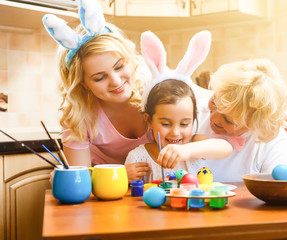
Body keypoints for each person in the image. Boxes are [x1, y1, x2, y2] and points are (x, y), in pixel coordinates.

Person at [42, 0, 151, 181]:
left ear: (129, 60)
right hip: (108, 189)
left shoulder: (153, 85)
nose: (116, 82)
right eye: (99, 78)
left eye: (119, 66)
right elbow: (80, 179)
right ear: (84, 84)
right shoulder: (79, 115)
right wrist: (121, 174)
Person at [196, 58, 287, 182]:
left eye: (228, 120)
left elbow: (282, 189)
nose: (213, 118)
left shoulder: (271, 141)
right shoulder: (190, 113)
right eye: (214, 102)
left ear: (254, 124)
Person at [125, 79, 233, 182]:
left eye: (184, 124)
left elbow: (226, 148)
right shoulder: (138, 157)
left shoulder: (195, 143)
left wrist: (187, 150)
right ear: (149, 121)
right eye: (166, 124)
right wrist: (124, 177)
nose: (175, 133)